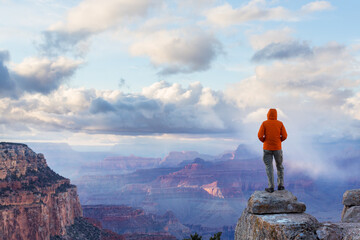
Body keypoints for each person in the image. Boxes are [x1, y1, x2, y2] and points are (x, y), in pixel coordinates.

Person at [258, 108, 287, 193]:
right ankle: (281, 185)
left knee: (269, 167)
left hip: (267, 148)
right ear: (276, 115)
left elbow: (260, 136)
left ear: (268, 114)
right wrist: (278, 141)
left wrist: (265, 141)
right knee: (279, 166)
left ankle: (271, 187)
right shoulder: (280, 123)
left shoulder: (264, 123)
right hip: (277, 148)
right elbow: (285, 136)